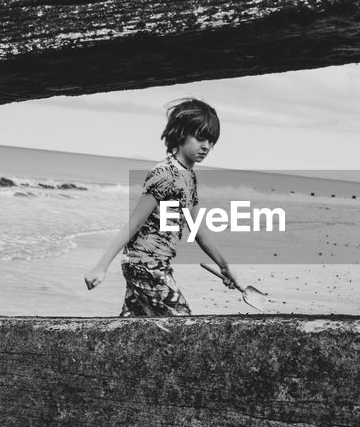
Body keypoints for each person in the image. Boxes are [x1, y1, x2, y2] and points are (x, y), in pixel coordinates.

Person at [83, 98, 244, 315]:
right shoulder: (165, 173)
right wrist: (101, 265)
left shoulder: (189, 177)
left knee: (133, 329)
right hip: (145, 265)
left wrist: (225, 267)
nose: (206, 146)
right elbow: (134, 223)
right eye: (200, 137)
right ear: (180, 134)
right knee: (181, 321)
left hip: (156, 264)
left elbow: (198, 230)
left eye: (211, 141)